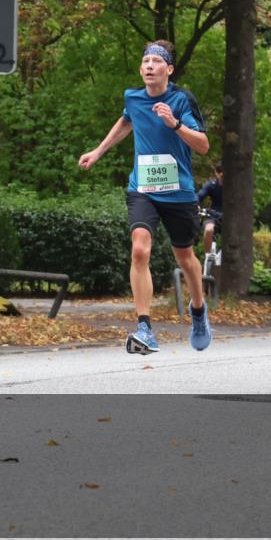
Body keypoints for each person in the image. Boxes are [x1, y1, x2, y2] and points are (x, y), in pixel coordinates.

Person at [78, 40, 212, 354]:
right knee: (140, 250)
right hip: (143, 190)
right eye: (146, 61)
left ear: (169, 69)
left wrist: (174, 123)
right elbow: (126, 121)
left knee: (186, 259)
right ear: (141, 69)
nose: (150, 65)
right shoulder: (133, 98)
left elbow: (203, 145)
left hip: (178, 193)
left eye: (156, 61)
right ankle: (144, 328)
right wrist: (98, 151)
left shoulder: (181, 100)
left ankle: (198, 311)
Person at [196, 162, 224, 255]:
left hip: (230, 218)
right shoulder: (211, 184)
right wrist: (195, 205)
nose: (222, 174)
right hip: (213, 215)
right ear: (216, 173)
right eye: (219, 171)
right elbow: (199, 196)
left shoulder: (234, 186)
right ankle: (208, 257)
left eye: (224, 171)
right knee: (209, 229)